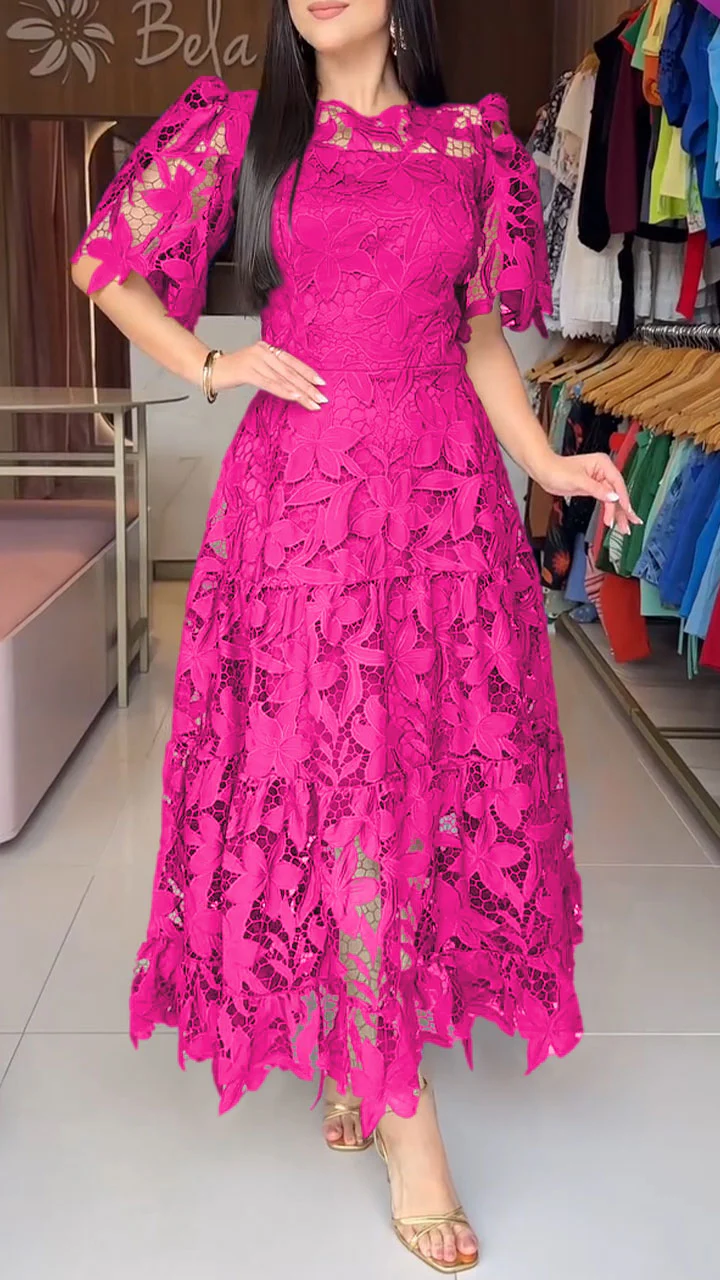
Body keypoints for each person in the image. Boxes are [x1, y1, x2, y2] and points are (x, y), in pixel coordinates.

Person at [71, 0, 637, 1272]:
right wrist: (213, 365)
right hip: (304, 502)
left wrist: (549, 460)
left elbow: (478, 335)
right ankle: (401, 1103)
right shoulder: (243, 131)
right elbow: (104, 263)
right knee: (340, 774)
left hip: (441, 502)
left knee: (414, 773)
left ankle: (358, 1034)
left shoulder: (468, 145)